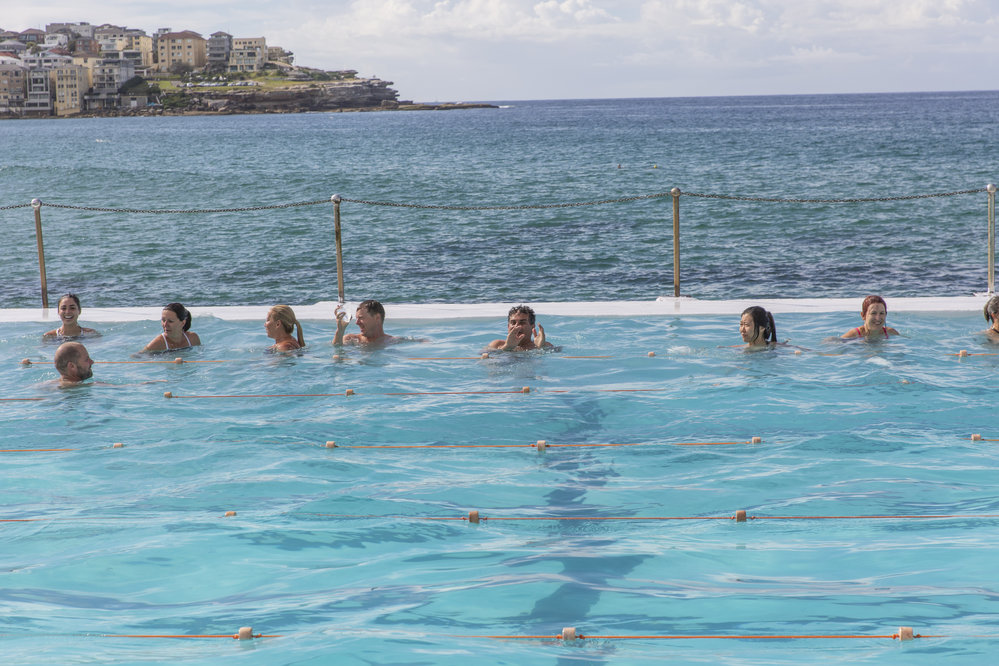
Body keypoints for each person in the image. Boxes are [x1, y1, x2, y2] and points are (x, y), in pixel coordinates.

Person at [488, 305, 553, 351]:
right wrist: (507, 347)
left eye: (522, 323)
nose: (516, 326)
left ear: (532, 326)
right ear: (508, 326)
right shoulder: (496, 345)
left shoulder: (544, 345)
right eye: (513, 323)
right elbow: (485, 360)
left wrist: (541, 349)